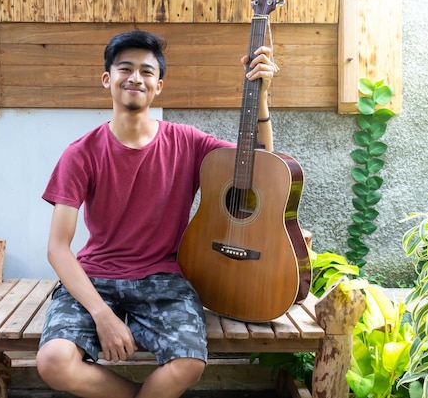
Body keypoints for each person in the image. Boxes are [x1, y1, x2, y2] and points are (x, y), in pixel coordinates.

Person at [35, 29, 278, 398]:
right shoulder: (80, 153)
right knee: (53, 360)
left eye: (147, 72)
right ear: (107, 79)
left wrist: (261, 100)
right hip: (96, 275)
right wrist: (103, 315)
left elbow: (260, 167)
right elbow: (58, 248)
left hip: (163, 277)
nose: (135, 78)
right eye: (125, 69)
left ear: (159, 85)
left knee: (189, 363)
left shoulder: (188, 142)